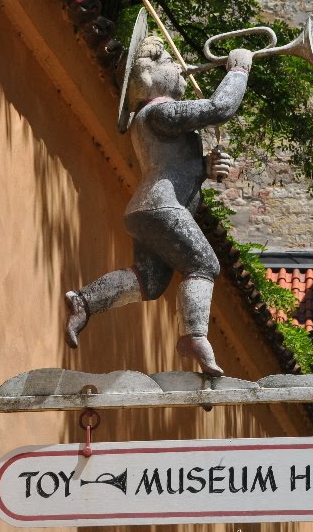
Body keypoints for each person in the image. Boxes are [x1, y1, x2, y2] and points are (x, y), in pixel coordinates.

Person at [64, 35, 253, 376]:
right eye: (169, 62)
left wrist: (205, 168)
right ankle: (194, 336)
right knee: (204, 264)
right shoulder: (161, 111)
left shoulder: (150, 118)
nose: (180, 66)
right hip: (162, 208)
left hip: (146, 211)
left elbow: (172, 166)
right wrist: (238, 70)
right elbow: (219, 108)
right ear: (148, 76)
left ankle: (85, 301)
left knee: (149, 281)